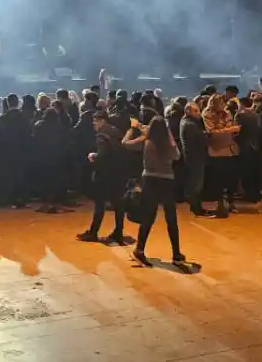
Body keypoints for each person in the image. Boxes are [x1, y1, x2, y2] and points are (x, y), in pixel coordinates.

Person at [122, 116, 185, 267]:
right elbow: (177, 156)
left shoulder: (146, 141)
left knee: (148, 217)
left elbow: (124, 143)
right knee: (171, 218)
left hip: (149, 180)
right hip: (167, 180)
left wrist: (132, 128)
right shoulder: (168, 145)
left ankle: (139, 250)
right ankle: (176, 254)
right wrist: (168, 134)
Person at [78, 109, 131, 245]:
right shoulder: (116, 131)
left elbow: (102, 155)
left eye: (95, 121)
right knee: (118, 204)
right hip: (118, 173)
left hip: (104, 174)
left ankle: (93, 232)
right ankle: (118, 232)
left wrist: (93, 156)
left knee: (99, 205)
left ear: (102, 120)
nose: (94, 124)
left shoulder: (101, 136)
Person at [179, 103, 208, 216]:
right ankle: (196, 207)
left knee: (195, 182)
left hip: (192, 157)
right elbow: (202, 140)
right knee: (197, 184)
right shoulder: (190, 125)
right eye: (195, 111)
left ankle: (195, 206)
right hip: (195, 157)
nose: (199, 113)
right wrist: (205, 135)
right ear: (188, 111)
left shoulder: (184, 121)